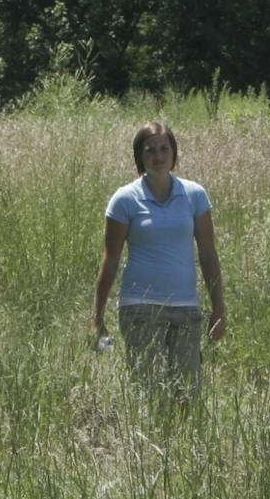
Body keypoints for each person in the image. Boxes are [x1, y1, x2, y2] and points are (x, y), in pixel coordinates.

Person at [93, 121, 226, 395]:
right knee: (150, 393)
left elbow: (208, 253)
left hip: (186, 309)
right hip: (139, 308)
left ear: (174, 154)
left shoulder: (194, 195)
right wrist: (97, 316)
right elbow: (111, 258)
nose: (158, 156)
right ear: (139, 156)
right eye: (150, 150)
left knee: (187, 393)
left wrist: (218, 309)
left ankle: (183, 440)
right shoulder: (124, 199)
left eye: (164, 149)